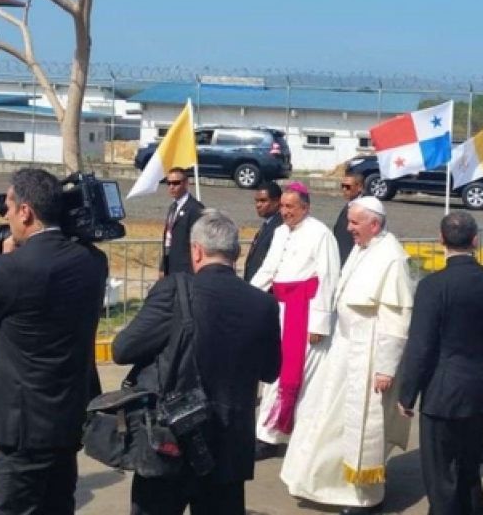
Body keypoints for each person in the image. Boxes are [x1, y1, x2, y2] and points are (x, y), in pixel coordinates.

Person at [0, 168, 108, 515]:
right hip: (68, 414)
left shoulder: (12, 268)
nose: (5, 215)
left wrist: (5, 260)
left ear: (26, 211)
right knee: (58, 504)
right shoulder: (94, 261)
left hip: (22, 422)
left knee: (14, 507)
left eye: (8, 205)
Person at [113, 209, 282, 515]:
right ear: (237, 252)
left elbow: (123, 349)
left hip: (171, 439)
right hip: (229, 446)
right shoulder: (264, 304)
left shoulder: (175, 292)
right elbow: (270, 371)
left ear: (197, 250)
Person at [280, 196, 414, 514]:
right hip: (344, 350)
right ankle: (328, 484)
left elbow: (397, 320)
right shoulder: (362, 247)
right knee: (328, 422)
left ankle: (365, 497)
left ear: (374, 224)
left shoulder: (391, 257)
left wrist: (385, 368)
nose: (349, 228)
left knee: (362, 430)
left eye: (355, 222)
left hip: (370, 357)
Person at [397, 211, 483, 515]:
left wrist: (407, 393)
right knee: (469, 466)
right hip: (478, 385)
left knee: (440, 474)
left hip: (441, 391)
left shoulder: (433, 286)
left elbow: (421, 345)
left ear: (440, 239)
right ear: (475, 240)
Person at [249, 182, 339, 459]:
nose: (285, 212)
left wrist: (319, 323)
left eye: (291, 207)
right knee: (274, 373)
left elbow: (328, 279)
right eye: (284, 206)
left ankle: (281, 434)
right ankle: (268, 431)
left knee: (299, 379)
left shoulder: (320, 234)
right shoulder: (279, 232)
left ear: (305, 207)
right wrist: (246, 297)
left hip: (306, 312)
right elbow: (268, 269)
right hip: (280, 309)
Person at [159, 167, 204, 277]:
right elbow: (169, 239)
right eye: (168, 183)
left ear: (185, 183)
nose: (171, 187)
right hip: (171, 267)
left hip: (186, 270)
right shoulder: (173, 207)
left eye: (176, 183)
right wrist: (163, 266)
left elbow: (199, 241)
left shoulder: (195, 208)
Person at [243, 181, 282, 283]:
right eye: (257, 201)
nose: (258, 205)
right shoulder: (268, 224)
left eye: (263, 201)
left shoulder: (280, 228)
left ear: (277, 202)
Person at [332, 172, 364, 263]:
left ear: (359, 187)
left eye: (348, 187)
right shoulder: (349, 205)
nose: (344, 189)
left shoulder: (363, 209)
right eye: (342, 186)